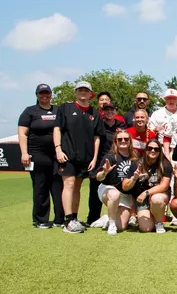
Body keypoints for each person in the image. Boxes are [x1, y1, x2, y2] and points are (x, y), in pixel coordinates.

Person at [54, 81, 105, 234]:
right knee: (68, 184)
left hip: (86, 157)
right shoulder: (65, 108)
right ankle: (68, 220)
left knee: (76, 188)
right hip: (67, 155)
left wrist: (94, 158)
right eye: (80, 90)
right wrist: (58, 149)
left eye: (86, 90)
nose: (83, 92)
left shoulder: (94, 113)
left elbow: (97, 137)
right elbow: (57, 129)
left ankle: (74, 218)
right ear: (75, 92)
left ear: (91, 94)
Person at [17, 83, 64, 228]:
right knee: (40, 187)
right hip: (37, 154)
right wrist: (24, 153)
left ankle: (60, 219)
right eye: (41, 93)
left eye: (47, 93)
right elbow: (22, 133)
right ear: (37, 95)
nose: (45, 95)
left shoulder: (58, 110)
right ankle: (41, 220)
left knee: (58, 187)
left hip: (57, 155)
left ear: (51, 94)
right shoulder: (30, 111)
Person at [87, 101, 126, 227]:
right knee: (95, 191)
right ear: (102, 111)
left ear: (115, 111)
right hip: (101, 161)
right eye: (106, 110)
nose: (109, 112)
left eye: (112, 109)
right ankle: (93, 218)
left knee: (119, 191)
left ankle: (116, 216)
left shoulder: (121, 126)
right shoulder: (99, 125)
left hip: (117, 162)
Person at [122, 139, 171, 233]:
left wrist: (146, 192)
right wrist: (134, 178)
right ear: (146, 150)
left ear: (160, 152)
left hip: (158, 195)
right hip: (142, 200)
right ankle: (153, 215)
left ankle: (159, 223)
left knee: (156, 199)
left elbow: (164, 186)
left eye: (156, 149)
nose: (153, 151)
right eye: (150, 148)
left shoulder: (165, 164)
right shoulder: (136, 164)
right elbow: (125, 186)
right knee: (146, 228)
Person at [93, 130, 136, 235]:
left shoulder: (135, 157)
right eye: (120, 139)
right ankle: (111, 223)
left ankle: (106, 218)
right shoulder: (110, 156)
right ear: (115, 141)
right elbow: (98, 177)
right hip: (108, 189)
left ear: (130, 141)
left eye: (126, 139)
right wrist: (104, 172)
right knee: (114, 194)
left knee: (121, 226)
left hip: (125, 193)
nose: (123, 141)